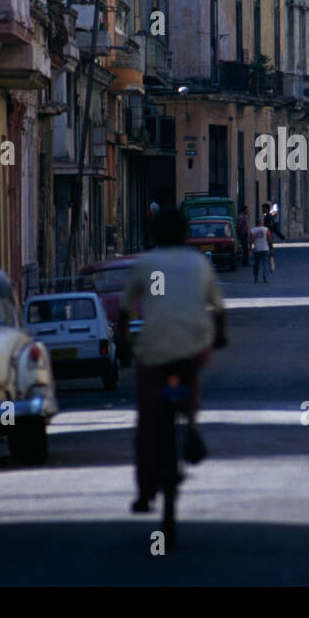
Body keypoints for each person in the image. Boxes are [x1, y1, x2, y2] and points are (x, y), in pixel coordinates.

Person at [118, 208, 227, 514]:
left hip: (153, 349)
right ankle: (190, 423)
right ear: (185, 234)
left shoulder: (147, 263)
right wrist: (220, 338)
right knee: (190, 375)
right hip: (194, 345)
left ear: (155, 235)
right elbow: (218, 310)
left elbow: (125, 311)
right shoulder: (198, 263)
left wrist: (123, 341)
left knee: (148, 424)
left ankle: (145, 493)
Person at [250, 219, 273, 283]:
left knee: (256, 265)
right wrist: (271, 248)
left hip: (256, 249)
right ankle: (265, 278)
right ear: (262, 223)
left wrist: (250, 250)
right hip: (265, 249)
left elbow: (251, 241)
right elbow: (269, 239)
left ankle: (256, 277)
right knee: (265, 264)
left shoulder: (252, 230)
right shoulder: (266, 229)